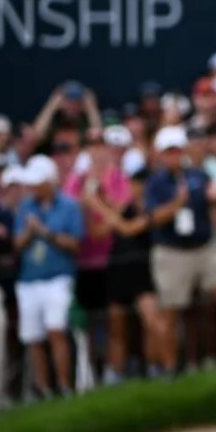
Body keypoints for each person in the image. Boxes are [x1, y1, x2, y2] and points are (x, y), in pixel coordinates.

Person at [146, 124, 216, 369]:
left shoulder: (199, 175)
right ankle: (170, 370)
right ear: (162, 154)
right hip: (172, 252)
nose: (174, 155)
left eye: (177, 150)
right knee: (171, 312)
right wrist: (177, 202)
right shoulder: (155, 182)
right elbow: (153, 218)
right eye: (169, 151)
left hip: (204, 247)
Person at [83, 151, 174, 377]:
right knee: (117, 326)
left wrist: (96, 204)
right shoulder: (124, 206)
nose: (134, 187)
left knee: (151, 320)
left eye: (138, 183)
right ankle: (116, 372)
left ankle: (162, 367)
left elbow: (126, 228)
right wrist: (93, 205)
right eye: (133, 182)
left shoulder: (154, 207)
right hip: (119, 269)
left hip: (144, 270)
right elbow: (98, 232)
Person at [13, 155, 83, 397]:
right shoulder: (25, 207)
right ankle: (43, 391)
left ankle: (64, 386)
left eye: (37, 182)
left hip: (58, 278)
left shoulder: (69, 205)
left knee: (56, 330)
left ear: (49, 182)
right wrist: (30, 233)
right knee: (33, 338)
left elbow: (75, 244)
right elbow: (17, 244)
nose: (32, 187)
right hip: (29, 281)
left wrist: (44, 232)